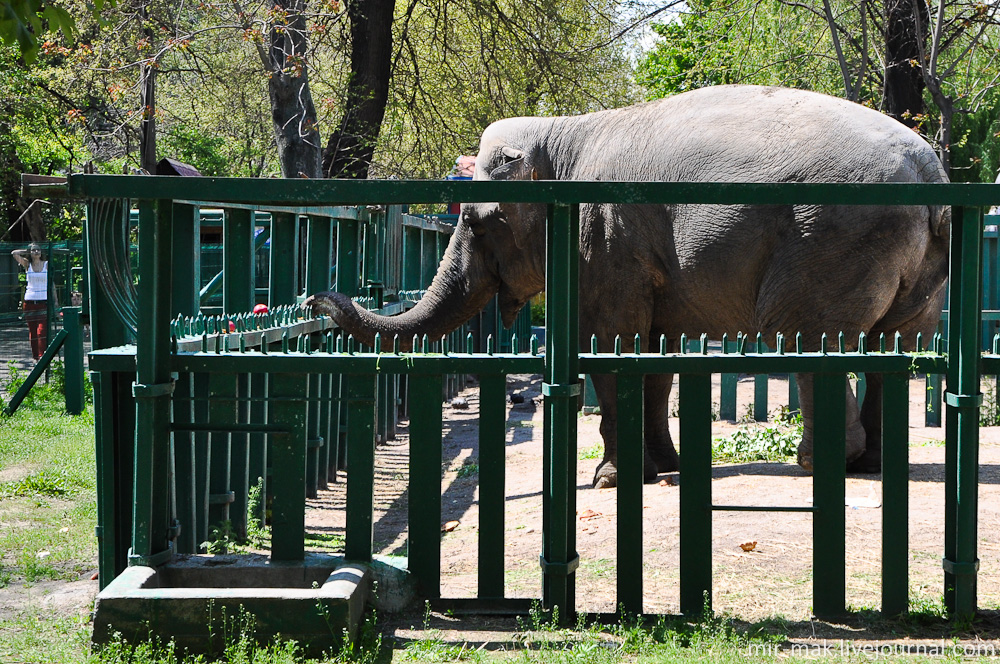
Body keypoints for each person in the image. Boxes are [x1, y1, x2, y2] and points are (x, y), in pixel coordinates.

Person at [11, 243, 50, 360]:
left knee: (41, 331)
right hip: (29, 302)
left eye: (38, 250)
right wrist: (27, 251)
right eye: (33, 250)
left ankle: (42, 356)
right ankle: (35, 357)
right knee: (32, 331)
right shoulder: (27, 265)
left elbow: (51, 284)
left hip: (43, 301)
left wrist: (56, 302)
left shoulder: (46, 265)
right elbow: (14, 253)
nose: (36, 252)